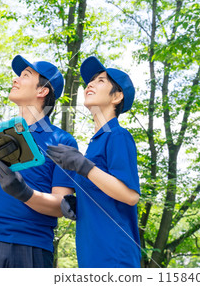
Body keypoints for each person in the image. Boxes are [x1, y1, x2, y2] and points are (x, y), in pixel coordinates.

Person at [0, 55, 78, 268]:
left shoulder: (62, 141)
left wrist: (24, 193)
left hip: (33, 247)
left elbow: (62, 205)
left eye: (25, 75)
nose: (15, 79)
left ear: (42, 91)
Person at [47, 56, 141, 268]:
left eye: (101, 81)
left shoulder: (117, 135)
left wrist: (83, 167)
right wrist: (77, 204)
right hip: (92, 256)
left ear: (116, 97)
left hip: (115, 257)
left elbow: (130, 195)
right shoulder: (95, 144)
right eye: (90, 81)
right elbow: (106, 194)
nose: (89, 84)